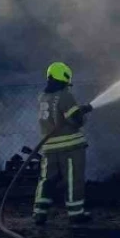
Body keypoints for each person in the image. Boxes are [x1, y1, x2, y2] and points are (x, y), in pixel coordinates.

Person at [32, 62, 94, 226]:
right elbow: (75, 120)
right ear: (65, 78)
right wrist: (83, 112)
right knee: (73, 179)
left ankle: (39, 213)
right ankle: (76, 213)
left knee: (46, 180)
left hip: (49, 148)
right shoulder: (65, 95)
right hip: (70, 147)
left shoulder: (42, 97)